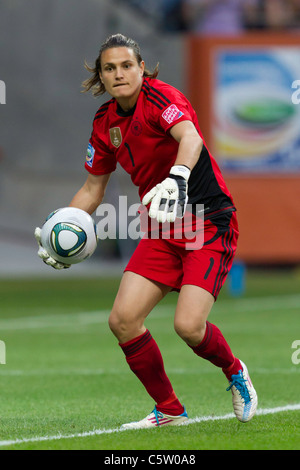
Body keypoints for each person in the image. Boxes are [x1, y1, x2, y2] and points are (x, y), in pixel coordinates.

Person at [35, 34, 257, 429]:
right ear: (100, 77)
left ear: (142, 68)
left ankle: (236, 370)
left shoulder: (162, 99)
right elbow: (92, 188)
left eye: (126, 65)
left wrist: (178, 176)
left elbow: (190, 137)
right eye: (109, 68)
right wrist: (62, 226)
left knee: (188, 326)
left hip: (207, 221)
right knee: (122, 320)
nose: (118, 74)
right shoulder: (105, 122)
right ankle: (169, 409)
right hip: (161, 229)